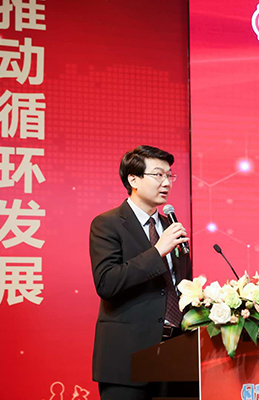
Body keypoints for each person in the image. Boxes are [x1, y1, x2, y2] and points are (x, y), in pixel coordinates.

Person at [89, 145, 191, 400]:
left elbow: (180, 286)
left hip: (177, 355)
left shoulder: (171, 226)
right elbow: (107, 283)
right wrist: (157, 251)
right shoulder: (108, 224)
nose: (166, 182)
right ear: (133, 179)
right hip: (128, 357)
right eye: (158, 175)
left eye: (169, 175)